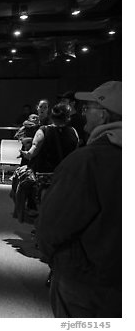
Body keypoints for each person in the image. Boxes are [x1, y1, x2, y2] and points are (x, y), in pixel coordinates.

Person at [36, 81, 121, 318]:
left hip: (86, 280)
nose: (82, 113)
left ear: (103, 115)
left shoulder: (88, 161)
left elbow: (52, 225)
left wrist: (51, 257)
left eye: (88, 108)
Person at [11, 103, 79, 223]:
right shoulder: (73, 132)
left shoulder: (43, 131)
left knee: (43, 209)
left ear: (52, 116)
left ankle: (41, 232)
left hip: (45, 177)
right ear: (68, 118)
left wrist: (23, 152)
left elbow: (31, 153)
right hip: (66, 176)